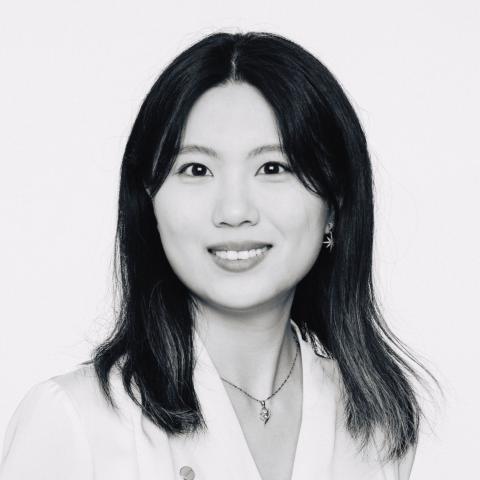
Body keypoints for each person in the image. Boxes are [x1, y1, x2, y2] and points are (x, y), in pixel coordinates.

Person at [0, 31, 439, 480]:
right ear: (150, 201)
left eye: (273, 167)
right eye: (196, 169)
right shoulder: (76, 422)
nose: (233, 211)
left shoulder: (378, 422)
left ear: (335, 205)